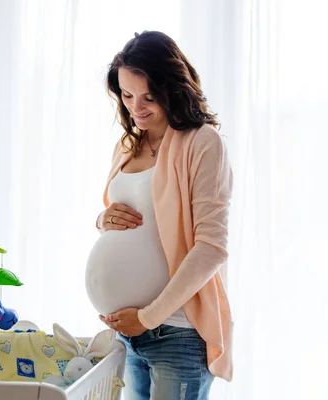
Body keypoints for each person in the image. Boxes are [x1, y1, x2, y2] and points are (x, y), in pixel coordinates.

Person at [84, 31, 233, 400]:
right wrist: (102, 220)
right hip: (128, 334)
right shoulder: (128, 143)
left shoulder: (202, 143)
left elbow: (211, 247)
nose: (137, 107)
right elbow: (127, 215)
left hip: (177, 332)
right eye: (127, 94)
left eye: (149, 96)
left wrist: (148, 317)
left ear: (174, 87)